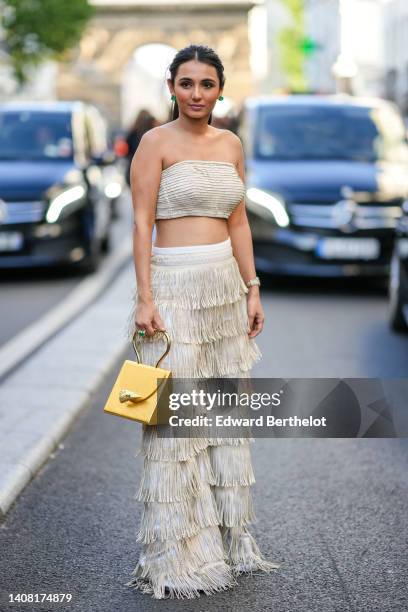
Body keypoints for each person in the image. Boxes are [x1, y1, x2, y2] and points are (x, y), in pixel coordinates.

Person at [124, 44, 281, 599]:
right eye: (186, 83)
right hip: (171, 287)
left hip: (223, 291)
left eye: (206, 84)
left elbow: (238, 221)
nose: (196, 94)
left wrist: (252, 288)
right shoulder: (154, 143)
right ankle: (174, 552)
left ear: (219, 89)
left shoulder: (232, 144)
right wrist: (145, 298)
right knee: (172, 419)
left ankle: (228, 538)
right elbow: (142, 224)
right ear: (172, 86)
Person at [124, 110, 158, 187]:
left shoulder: (132, 133)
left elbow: (126, 151)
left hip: (134, 169)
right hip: (150, 169)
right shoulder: (154, 134)